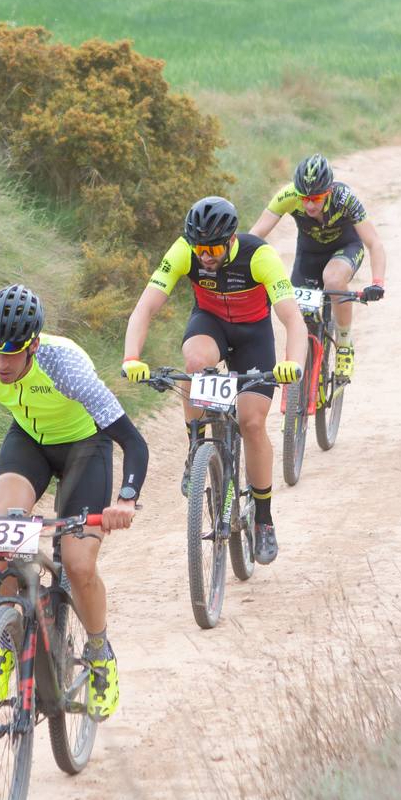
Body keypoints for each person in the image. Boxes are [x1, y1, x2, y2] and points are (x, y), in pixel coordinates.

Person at [0, 284, 147, 721]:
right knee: (3, 541)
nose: (0, 364)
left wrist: (126, 498)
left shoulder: (65, 365)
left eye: (10, 355)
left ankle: (98, 655)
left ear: (33, 345)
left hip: (85, 447)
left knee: (77, 562)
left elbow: (132, 441)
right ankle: (4, 648)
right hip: (29, 443)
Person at [121, 196, 306, 564]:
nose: (204, 256)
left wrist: (293, 365)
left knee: (252, 423)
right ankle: (197, 445)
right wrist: (131, 357)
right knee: (194, 361)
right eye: (199, 248)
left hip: (253, 337)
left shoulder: (259, 256)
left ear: (231, 239)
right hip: (210, 325)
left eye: (212, 248)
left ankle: (264, 519)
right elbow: (146, 307)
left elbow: (292, 319)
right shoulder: (183, 251)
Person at [248, 154, 387, 383]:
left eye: (317, 198)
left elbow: (374, 243)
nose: (310, 204)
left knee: (332, 280)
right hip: (309, 255)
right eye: (304, 198)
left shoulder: (345, 198)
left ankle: (343, 344)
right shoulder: (288, 195)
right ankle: (300, 377)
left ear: (329, 191)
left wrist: (377, 282)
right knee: (297, 314)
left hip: (345, 249)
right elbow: (256, 235)